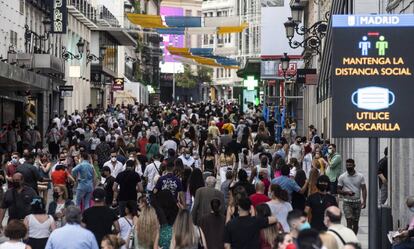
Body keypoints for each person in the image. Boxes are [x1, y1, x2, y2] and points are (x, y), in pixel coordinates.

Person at [337, 159, 367, 234]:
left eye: (350, 165)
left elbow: (363, 189)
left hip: (357, 202)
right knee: (349, 220)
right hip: (347, 202)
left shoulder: (360, 176)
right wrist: (346, 192)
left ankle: (354, 238)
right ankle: (350, 239)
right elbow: (338, 190)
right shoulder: (342, 177)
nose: (348, 167)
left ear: (354, 165)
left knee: (356, 223)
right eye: (347, 165)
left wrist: (364, 201)